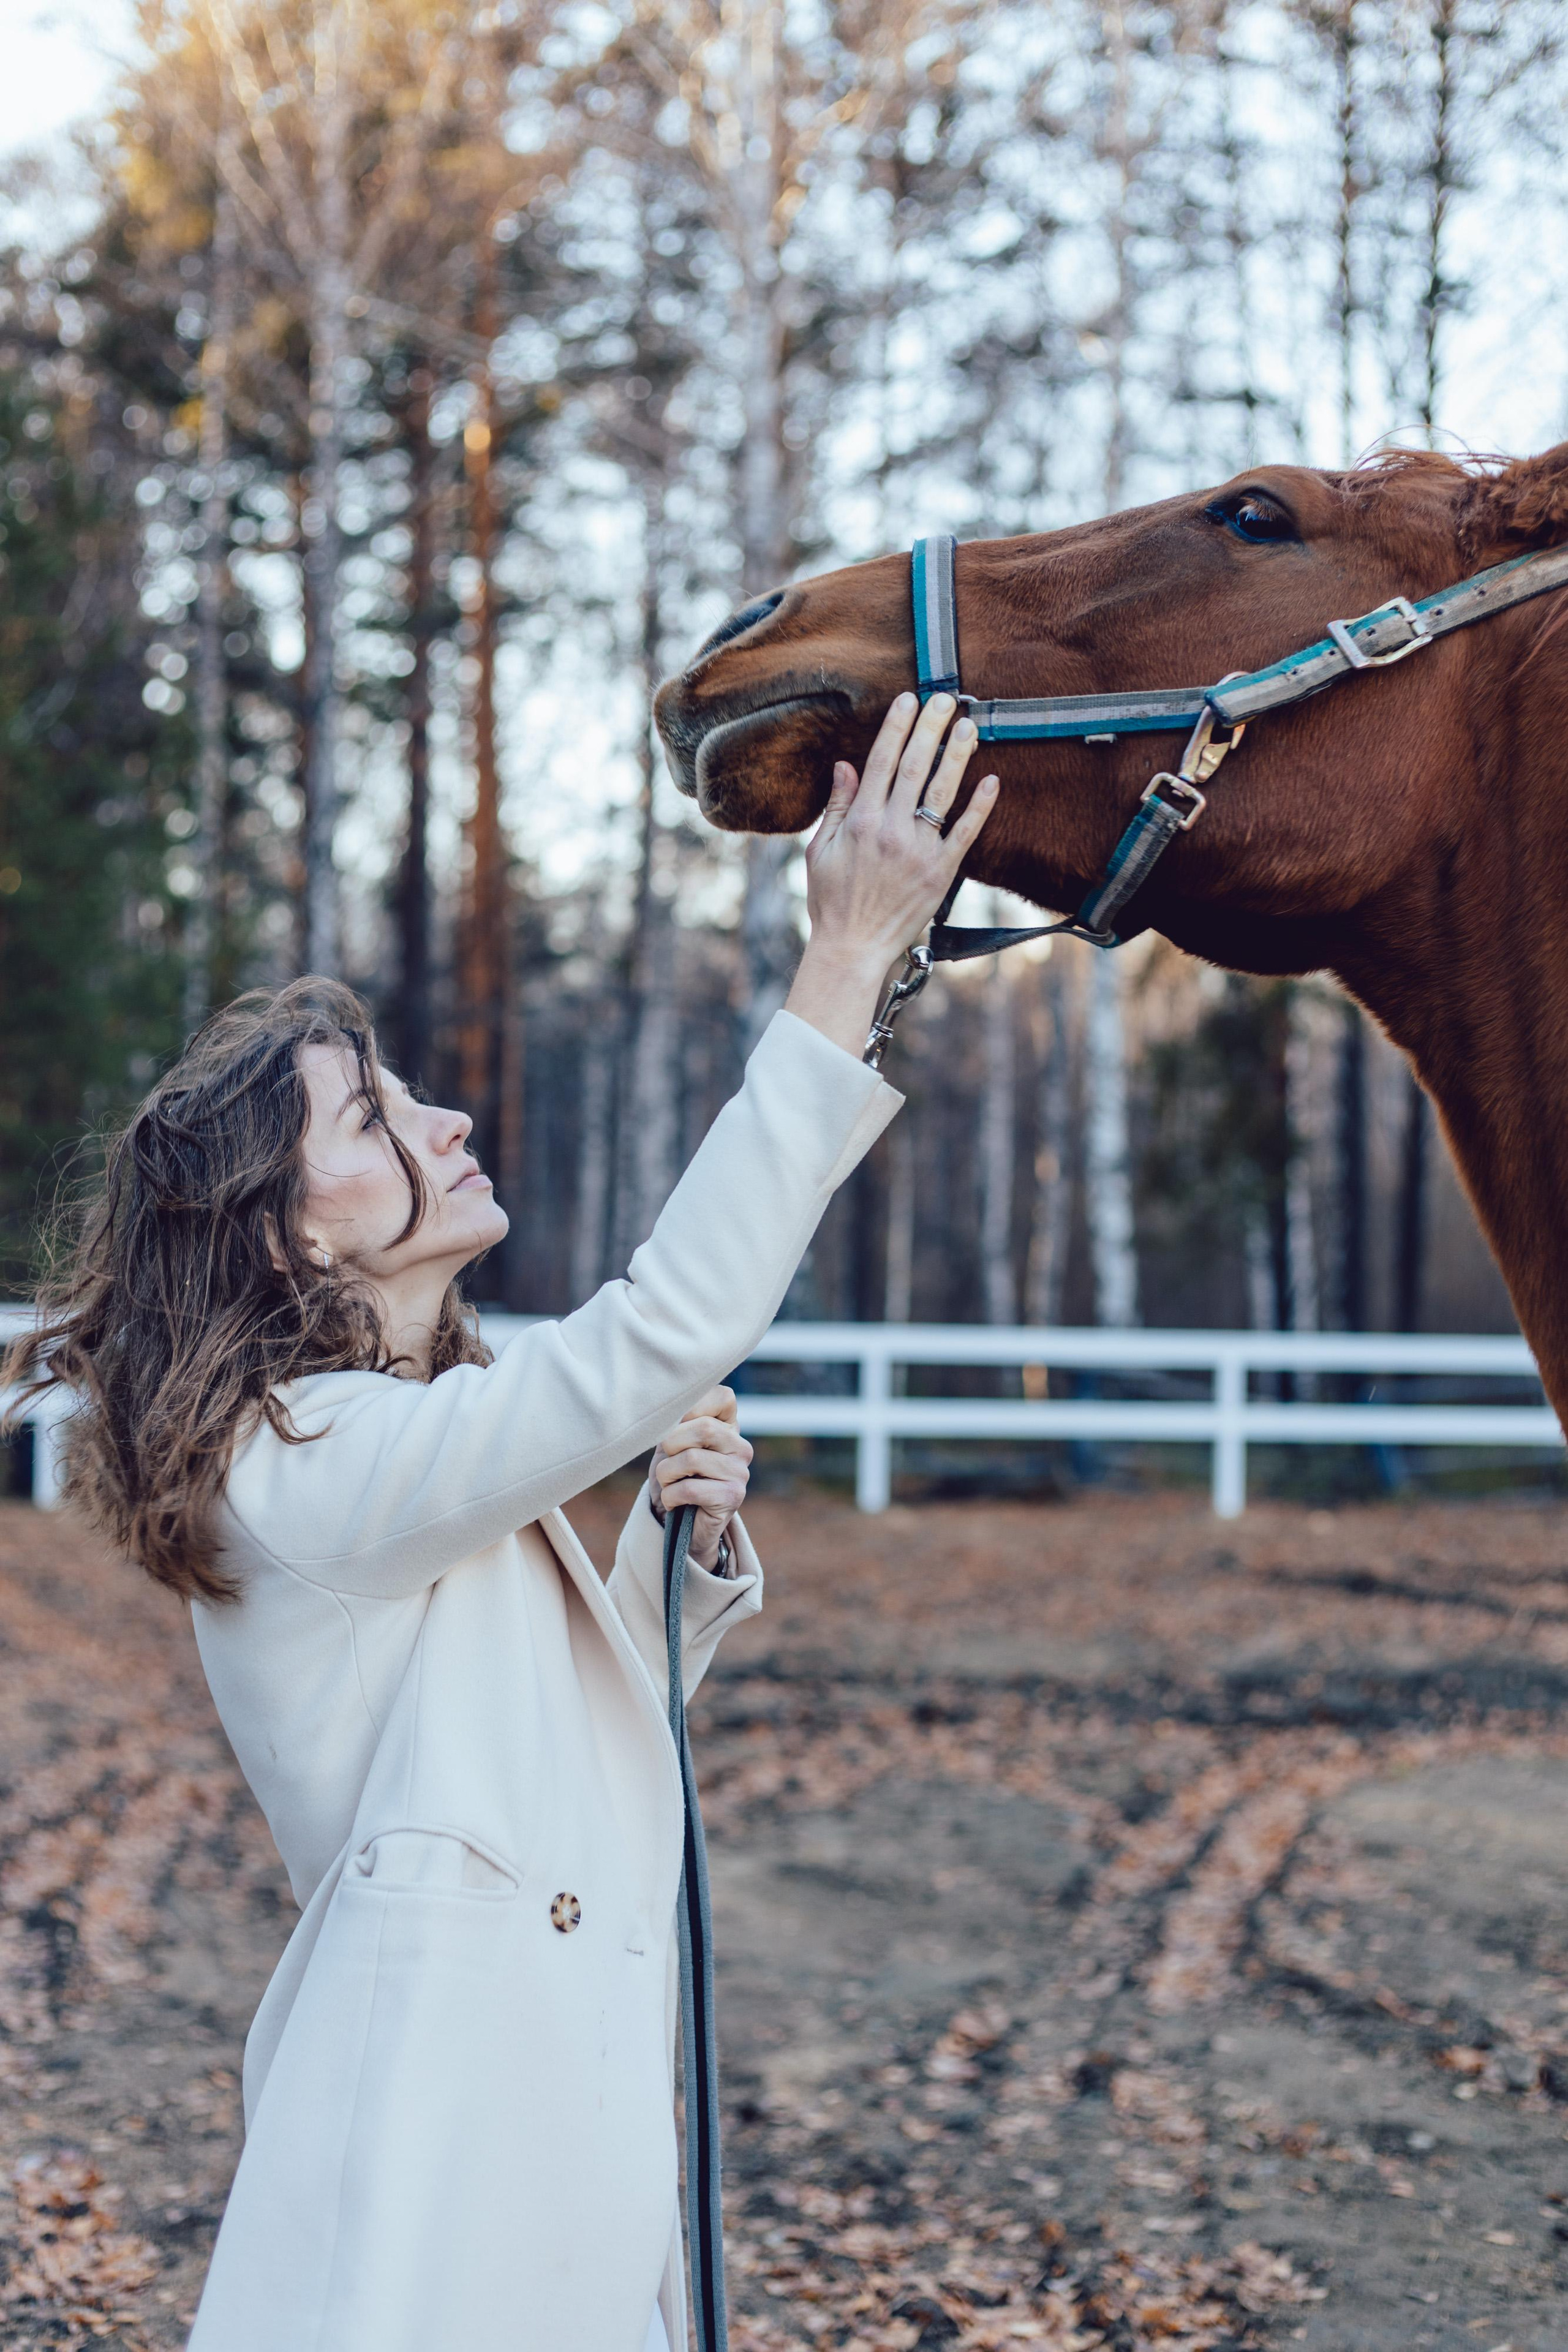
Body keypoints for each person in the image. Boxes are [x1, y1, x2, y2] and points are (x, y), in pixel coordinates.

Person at [4, 695, 997, 2352]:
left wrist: (671, 1554)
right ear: (278, 1245)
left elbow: (536, 1757)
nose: (444, 1122)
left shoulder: (395, 1454)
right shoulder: (296, 1465)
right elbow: (659, 1331)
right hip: (435, 2171)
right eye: (376, 1123)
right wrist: (845, 963)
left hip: (545, 2121)